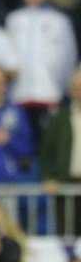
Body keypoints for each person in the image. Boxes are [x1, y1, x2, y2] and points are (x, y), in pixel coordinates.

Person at [6, 0, 77, 145]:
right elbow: (7, 54)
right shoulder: (13, 19)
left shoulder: (59, 20)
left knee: (47, 142)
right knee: (21, 142)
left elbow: (69, 55)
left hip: (49, 92)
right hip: (19, 92)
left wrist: (61, 84)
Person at [40, 70, 81, 237]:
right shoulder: (60, 119)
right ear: (70, 91)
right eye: (77, 88)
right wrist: (49, 177)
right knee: (67, 237)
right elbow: (45, 153)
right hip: (66, 184)